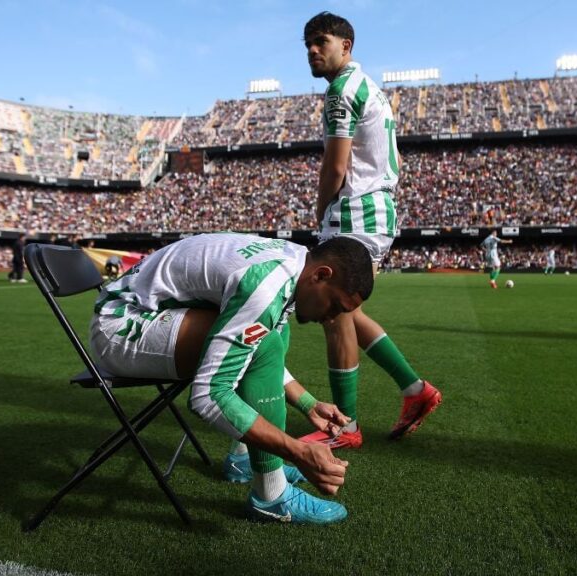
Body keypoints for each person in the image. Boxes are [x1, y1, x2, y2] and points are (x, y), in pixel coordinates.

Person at [90, 233, 373, 524]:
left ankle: (243, 460)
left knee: (270, 334)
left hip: (145, 310)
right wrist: (299, 450)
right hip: (120, 324)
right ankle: (271, 495)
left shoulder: (296, 262)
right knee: (265, 342)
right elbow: (208, 395)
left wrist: (308, 404)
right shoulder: (266, 284)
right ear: (322, 275)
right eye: (335, 305)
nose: (330, 318)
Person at [300, 11, 441, 449]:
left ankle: (347, 426)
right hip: (375, 211)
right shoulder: (368, 87)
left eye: (321, 41)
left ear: (347, 46)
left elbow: (336, 165)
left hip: (354, 212)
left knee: (334, 313)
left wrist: (321, 210)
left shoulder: (342, 91)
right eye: (307, 43)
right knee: (349, 310)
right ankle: (415, 391)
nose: (312, 50)